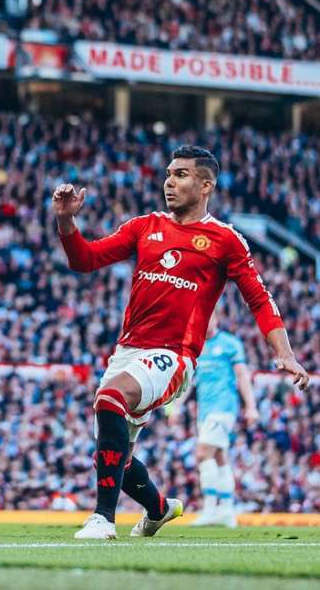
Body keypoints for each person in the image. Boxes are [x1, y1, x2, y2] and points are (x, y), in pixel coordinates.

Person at [52, 145, 309, 540]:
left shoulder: (225, 239)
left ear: (206, 185)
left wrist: (284, 354)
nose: (169, 182)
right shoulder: (144, 226)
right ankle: (159, 509)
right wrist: (66, 221)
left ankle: (103, 519)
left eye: (181, 174)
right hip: (128, 352)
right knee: (114, 456)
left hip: (173, 356)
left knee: (109, 399)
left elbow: (259, 298)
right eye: (169, 174)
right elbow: (84, 260)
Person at [191, 309, 258, 527]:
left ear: (217, 318)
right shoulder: (196, 345)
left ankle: (210, 509)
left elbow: (242, 376)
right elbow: (189, 380)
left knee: (202, 454)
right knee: (219, 456)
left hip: (223, 407)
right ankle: (227, 511)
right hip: (204, 410)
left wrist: (251, 406)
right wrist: (176, 406)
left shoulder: (230, 344)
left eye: (209, 316)